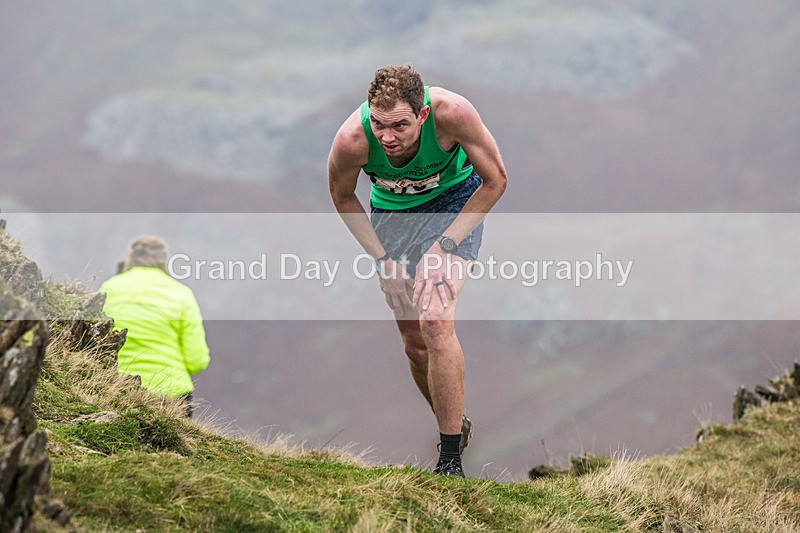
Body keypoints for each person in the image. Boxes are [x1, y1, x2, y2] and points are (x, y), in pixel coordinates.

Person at [328, 64, 507, 476]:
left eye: (399, 126)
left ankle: (449, 460)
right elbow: (342, 196)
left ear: (423, 114)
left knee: (436, 321)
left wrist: (445, 245)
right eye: (379, 124)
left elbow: (496, 180)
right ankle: (454, 422)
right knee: (414, 343)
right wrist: (382, 261)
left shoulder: (452, 114)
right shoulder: (353, 139)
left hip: (454, 204)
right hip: (392, 218)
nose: (387, 137)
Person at [99, 234, 210, 418]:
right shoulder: (181, 294)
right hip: (171, 393)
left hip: (117, 385)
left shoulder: (108, 288)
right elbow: (197, 359)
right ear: (164, 260)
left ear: (130, 258)